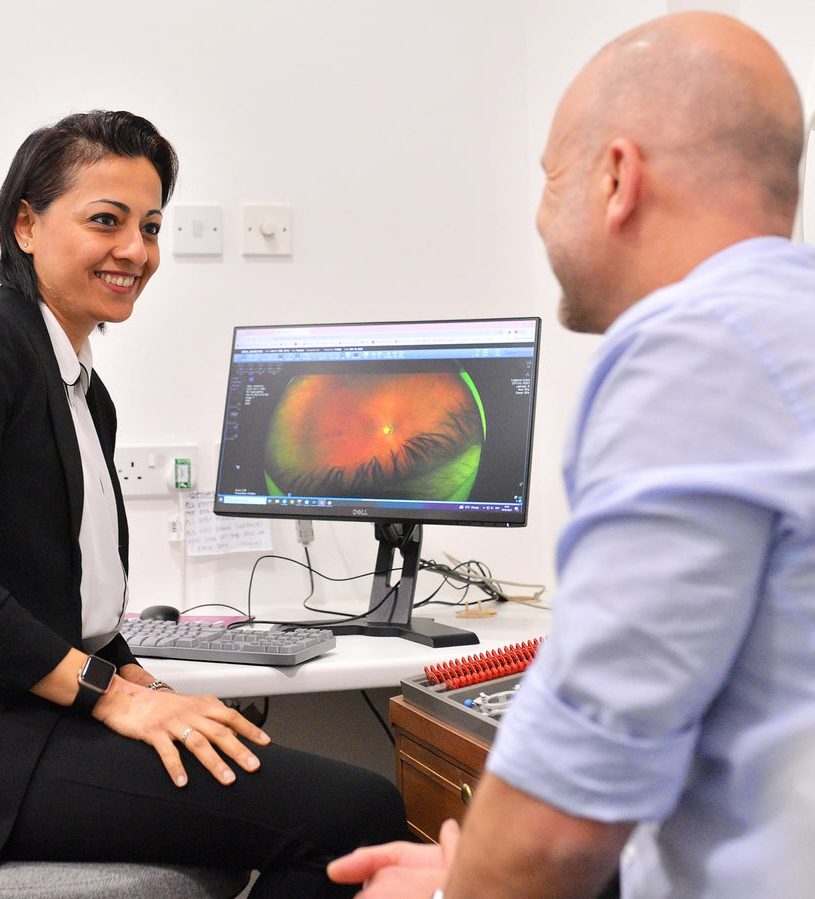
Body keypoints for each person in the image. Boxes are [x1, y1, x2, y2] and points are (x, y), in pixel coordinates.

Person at [327, 11, 815, 898]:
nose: (541, 217)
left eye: (551, 180)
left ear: (617, 177)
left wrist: (448, 891)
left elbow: (561, 826)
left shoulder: (696, 346)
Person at [0, 109, 408, 898]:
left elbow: (69, 607)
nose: (136, 251)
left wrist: (146, 685)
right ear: (27, 224)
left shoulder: (83, 391)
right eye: (105, 220)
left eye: (150, 226)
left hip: (46, 722)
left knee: (304, 777)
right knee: (358, 812)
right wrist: (113, 699)